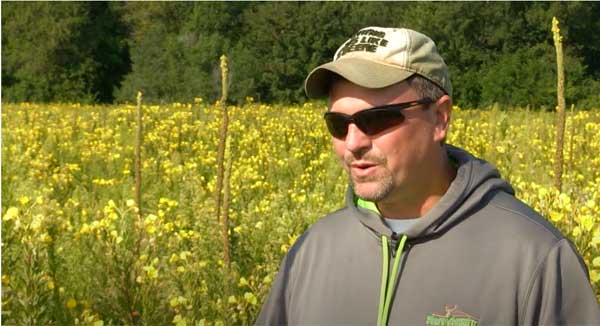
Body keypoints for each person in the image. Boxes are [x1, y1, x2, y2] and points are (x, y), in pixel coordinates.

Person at [255, 27, 600, 326]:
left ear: (440, 118)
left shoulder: (535, 258)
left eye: (377, 120)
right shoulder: (311, 251)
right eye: (338, 124)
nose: (353, 143)